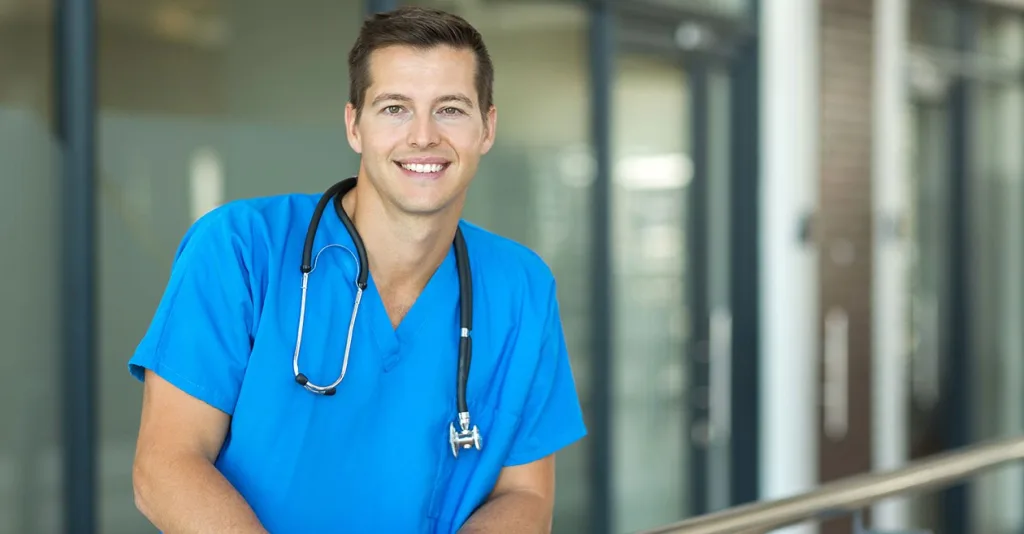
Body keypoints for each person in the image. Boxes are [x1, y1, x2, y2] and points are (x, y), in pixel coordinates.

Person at [127, 5, 587, 534]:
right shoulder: (241, 248)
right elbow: (165, 467)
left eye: (451, 109)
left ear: (487, 127)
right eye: (394, 108)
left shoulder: (521, 288)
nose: (423, 136)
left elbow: (525, 494)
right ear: (354, 125)